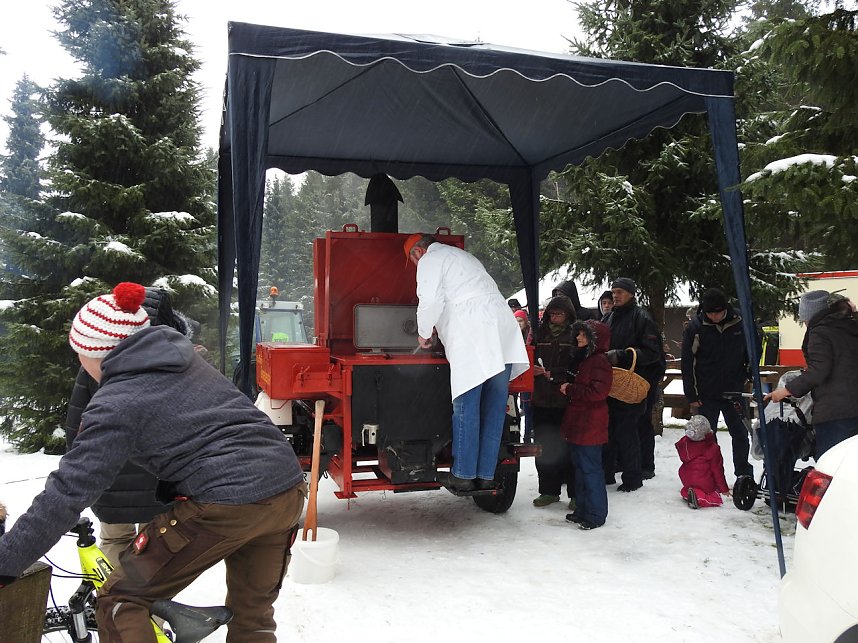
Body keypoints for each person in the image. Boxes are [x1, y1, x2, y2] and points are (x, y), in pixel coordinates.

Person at [0, 282, 307, 642]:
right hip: (286, 488)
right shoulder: (186, 360)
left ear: (94, 353)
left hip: (226, 501)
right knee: (253, 617)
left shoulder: (116, 400)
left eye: (78, 354)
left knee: (121, 599)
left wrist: (7, 562)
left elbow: (67, 492)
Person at [64, 286, 195, 568]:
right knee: (155, 549)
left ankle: (113, 604)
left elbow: (77, 422)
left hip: (109, 475)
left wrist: (76, 467)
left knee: (113, 541)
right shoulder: (178, 362)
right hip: (160, 479)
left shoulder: (95, 360)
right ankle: (152, 611)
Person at [405, 234, 529, 491]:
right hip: (502, 330)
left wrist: (424, 333)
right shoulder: (464, 257)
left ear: (418, 251)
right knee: (494, 408)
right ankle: (485, 475)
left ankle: (462, 475)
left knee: (467, 404)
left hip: (474, 331)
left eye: (412, 260)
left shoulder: (431, 259)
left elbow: (429, 301)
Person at [767, 290, 858, 458]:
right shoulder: (849, 325)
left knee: (830, 463)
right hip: (852, 408)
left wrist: (785, 391)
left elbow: (818, 370)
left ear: (811, 315)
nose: (805, 324)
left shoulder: (820, 331)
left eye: (804, 320)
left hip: (836, 412)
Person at [681, 288, 754, 477]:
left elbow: (752, 350)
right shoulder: (695, 327)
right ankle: (707, 475)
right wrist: (692, 395)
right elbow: (688, 362)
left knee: (740, 434)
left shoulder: (741, 321)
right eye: (710, 313)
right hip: (706, 392)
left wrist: (749, 372)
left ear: (726, 309)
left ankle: (743, 475)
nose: (714, 316)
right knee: (706, 437)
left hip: (735, 389)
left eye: (718, 312)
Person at [602, 277, 666, 491]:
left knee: (630, 431)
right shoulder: (609, 318)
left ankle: (633, 477)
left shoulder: (643, 318)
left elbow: (653, 353)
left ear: (631, 294)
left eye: (620, 292)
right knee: (609, 430)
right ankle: (607, 473)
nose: (615, 295)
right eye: (613, 292)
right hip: (611, 385)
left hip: (634, 386)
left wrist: (622, 355)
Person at [559, 320, 612, 530]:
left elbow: (598, 392)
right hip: (581, 422)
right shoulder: (585, 359)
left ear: (593, 338)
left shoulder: (598, 361)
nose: (578, 338)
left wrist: (571, 390)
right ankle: (583, 510)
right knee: (580, 469)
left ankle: (596, 514)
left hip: (590, 423)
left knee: (590, 470)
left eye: (582, 335)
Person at [530, 295, 578, 508]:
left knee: (569, 448)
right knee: (544, 447)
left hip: (565, 400)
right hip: (540, 399)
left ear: (568, 314)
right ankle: (548, 491)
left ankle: (575, 494)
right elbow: (526, 356)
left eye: (559, 313)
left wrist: (555, 374)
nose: (555, 317)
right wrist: (532, 370)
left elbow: (578, 366)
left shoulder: (575, 333)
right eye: (552, 313)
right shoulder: (538, 333)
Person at [675, 415, 730, 509]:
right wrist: (723, 489)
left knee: (688, 487)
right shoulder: (712, 448)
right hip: (703, 479)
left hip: (686, 477)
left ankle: (687, 493)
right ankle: (698, 497)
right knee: (715, 498)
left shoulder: (684, 443)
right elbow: (718, 471)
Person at [513, 309, 534, 443]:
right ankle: (516, 434)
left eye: (520, 321)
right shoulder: (512, 336)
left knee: (527, 407)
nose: (518, 324)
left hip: (526, 376)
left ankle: (527, 435)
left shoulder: (530, 336)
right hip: (515, 376)